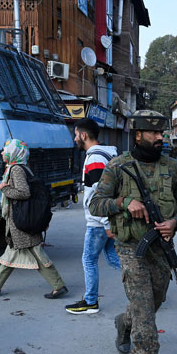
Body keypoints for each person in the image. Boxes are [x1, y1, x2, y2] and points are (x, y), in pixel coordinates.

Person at [89, 110, 177, 354]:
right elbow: (96, 204)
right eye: (154, 133)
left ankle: (124, 322)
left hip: (160, 247)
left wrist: (174, 223)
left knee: (155, 298)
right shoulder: (118, 167)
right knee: (144, 305)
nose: (161, 138)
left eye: (162, 133)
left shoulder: (172, 167)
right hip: (130, 246)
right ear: (138, 135)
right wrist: (124, 202)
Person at [0, 139, 68, 299]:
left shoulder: (16, 170)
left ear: (13, 153)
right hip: (20, 220)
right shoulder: (19, 168)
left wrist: (5, 188)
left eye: (4, 150)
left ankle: (58, 285)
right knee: (13, 251)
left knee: (35, 253)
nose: (1, 153)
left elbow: (24, 193)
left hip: (21, 221)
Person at [65, 118, 121, 315]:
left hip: (99, 220)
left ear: (84, 135)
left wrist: (106, 224)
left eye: (75, 134)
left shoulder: (96, 158)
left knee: (89, 260)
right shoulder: (105, 154)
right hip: (104, 219)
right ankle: (146, 285)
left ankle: (90, 302)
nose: (74, 139)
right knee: (115, 258)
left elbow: (100, 193)